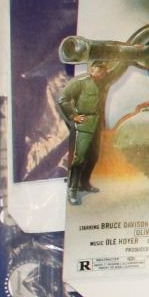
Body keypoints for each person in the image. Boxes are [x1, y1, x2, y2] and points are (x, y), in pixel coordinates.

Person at [57, 60, 111, 206]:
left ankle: (84, 183)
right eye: (98, 69)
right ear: (91, 70)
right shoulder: (80, 82)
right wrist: (72, 116)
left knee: (93, 157)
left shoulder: (102, 83)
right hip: (84, 122)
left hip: (96, 123)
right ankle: (72, 190)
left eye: (103, 70)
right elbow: (63, 99)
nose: (101, 72)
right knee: (79, 158)